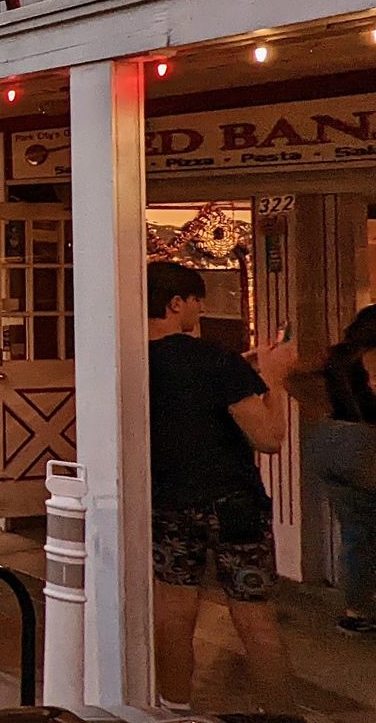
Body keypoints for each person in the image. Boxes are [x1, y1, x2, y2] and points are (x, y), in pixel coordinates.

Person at [147, 261, 294, 712]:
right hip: (234, 503)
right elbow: (268, 438)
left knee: (173, 613)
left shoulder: (128, 359)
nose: (201, 310)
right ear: (178, 304)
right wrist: (274, 377)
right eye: (196, 301)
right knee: (253, 616)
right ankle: (282, 714)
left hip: (167, 499)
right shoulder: (215, 360)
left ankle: (173, 708)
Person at [294, 305, 376, 635]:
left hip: (329, 439)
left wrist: (317, 407)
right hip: (366, 441)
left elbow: (292, 372)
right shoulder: (371, 358)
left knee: (357, 531)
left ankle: (356, 609)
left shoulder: (335, 356)